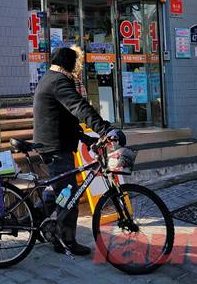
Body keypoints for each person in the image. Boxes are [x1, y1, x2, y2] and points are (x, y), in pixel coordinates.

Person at [33, 47, 125, 256]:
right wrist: (105, 129)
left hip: (53, 145)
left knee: (58, 191)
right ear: (69, 63)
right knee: (68, 195)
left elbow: (63, 117)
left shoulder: (50, 78)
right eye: (76, 63)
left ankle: (33, 219)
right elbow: (80, 107)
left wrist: (85, 138)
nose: (77, 67)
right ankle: (66, 241)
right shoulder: (58, 81)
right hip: (55, 148)